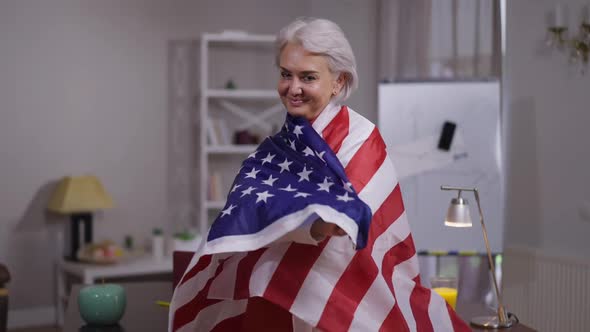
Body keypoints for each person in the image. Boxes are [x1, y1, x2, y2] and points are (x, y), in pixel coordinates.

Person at [169, 17, 470, 331]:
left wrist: (310, 222)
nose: (293, 88)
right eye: (286, 74)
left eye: (307, 77)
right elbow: (245, 214)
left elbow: (353, 225)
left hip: (340, 303)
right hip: (275, 299)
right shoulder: (273, 148)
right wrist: (308, 222)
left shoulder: (360, 138)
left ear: (338, 82)